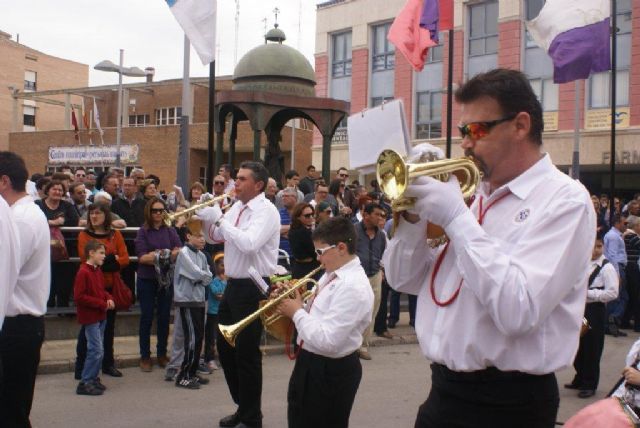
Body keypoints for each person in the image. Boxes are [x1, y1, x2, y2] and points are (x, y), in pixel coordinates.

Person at [383, 68, 596, 427]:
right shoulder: (474, 195)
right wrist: (413, 219)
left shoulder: (564, 200)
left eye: (476, 130)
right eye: (462, 131)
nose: (464, 142)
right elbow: (403, 280)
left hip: (509, 405)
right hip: (443, 393)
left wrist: (454, 216)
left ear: (520, 125)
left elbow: (519, 310)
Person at [198, 160, 280, 428]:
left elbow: (248, 244)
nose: (236, 183)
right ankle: (243, 407)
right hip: (234, 283)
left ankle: (252, 417)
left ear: (258, 185)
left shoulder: (266, 211)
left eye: (242, 179)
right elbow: (213, 238)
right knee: (226, 348)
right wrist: (208, 217)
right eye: (237, 178)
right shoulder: (236, 207)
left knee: (246, 354)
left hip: (254, 285)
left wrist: (220, 219)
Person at [275, 216, 374, 428]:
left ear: (340, 247)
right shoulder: (332, 274)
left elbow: (329, 340)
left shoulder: (352, 286)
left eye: (320, 252)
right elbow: (318, 317)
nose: (318, 259)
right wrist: (298, 302)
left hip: (330, 370)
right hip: (311, 361)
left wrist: (296, 313)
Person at [0, 151, 48, 427]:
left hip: (17, 327)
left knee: (11, 413)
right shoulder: (23, 213)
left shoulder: (20, 219)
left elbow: (5, 270)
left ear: (4, 181)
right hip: (19, 326)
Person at [76, 203, 130, 379]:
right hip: (92, 287)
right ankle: (82, 367)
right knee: (89, 329)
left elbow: (124, 258)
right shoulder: (84, 235)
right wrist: (110, 260)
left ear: (106, 216)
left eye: (98, 213)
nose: (94, 216)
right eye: (91, 213)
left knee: (108, 328)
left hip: (110, 287)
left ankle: (108, 363)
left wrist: (109, 261)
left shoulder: (115, 234)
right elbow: (86, 258)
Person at [566, 235, 618, 399]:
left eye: (599, 246)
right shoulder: (582, 263)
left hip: (594, 310)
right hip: (578, 309)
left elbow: (612, 292)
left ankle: (589, 383)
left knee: (592, 348)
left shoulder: (606, 267)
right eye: (593, 246)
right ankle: (580, 376)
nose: (596, 250)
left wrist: (589, 294)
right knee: (576, 346)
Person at [134, 197, 182, 372]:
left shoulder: (169, 230)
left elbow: (179, 249)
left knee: (163, 318)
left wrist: (158, 254)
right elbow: (142, 257)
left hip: (165, 280)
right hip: (147, 279)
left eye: (161, 210)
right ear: (149, 211)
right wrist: (165, 255)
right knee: (146, 318)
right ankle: (145, 356)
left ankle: (162, 353)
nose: (158, 213)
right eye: (155, 210)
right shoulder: (143, 231)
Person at [172, 219, 213, 389]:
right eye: (198, 236)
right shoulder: (184, 253)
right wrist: (203, 277)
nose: (203, 239)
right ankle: (183, 375)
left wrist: (203, 277)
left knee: (199, 338)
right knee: (191, 339)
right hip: (187, 301)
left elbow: (210, 275)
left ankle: (192, 371)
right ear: (188, 236)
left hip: (199, 300)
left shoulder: (202, 255)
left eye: (204, 236)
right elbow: (197, 274)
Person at [74, 240, 114, 396]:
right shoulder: (83, 272)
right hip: (91, 316)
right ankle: (85, 381)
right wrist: (101, 303)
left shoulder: (97, 270)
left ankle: (93, 378)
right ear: (91, 253)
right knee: (96, 350)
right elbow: (79, 297)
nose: (104, 256)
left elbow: (101, 290)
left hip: (100, 315)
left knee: (99, 349)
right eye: (101, 253)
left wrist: (108, 297)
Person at [35, 179, 79, 307]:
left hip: (65, 250)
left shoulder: (68, 206)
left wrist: (63, 221)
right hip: (43, 250)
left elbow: (74, 221)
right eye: (54, 189)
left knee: (64, 281)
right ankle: (46, 307)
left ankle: (62, 308)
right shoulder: (37, 204)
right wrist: (52, 222)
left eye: (60, 190)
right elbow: (34, 220)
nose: (57, 192)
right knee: (46, 280)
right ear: (47, 190)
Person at [354, 203, 388, 360]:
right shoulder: (353, 231)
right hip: (356, 277)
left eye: (382, 215)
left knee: (371, 312)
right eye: (377, 214)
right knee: (355, 312)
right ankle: (351, 344)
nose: (380, 218)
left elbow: (382, 254)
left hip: (374, 276)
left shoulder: (381, 235)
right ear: (366, 215)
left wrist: (380, 270)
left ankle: (363, 345)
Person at [605, 214, 629, 337]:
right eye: (624, 223)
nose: (626, 226)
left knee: (618, 297)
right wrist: (617, 273)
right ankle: (612, 319)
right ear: (617, 223)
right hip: (617, 267)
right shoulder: (614, 237)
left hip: (618, 267)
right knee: (620, 297)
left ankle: (611, 323)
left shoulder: (614, 235)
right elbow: (612, 255)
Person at [205, 253, 226, 372]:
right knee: (211, 337)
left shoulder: (228, 280)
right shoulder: (214, 281)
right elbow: (217, 294)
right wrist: (223, 284)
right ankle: (209, 359)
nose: (224, 268)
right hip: (213, 313)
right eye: (222, 265)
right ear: (216, 266)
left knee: (221, 337)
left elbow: (226, 295)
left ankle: (222, 357)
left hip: (223, 313)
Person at [288, 203, 321, 280]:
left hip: (299, 268)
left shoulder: (294, 230)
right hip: (308, 270)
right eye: (307, 216)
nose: (311, 217)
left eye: (312, 214)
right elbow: (314, 251)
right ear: (298, 217)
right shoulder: (303, 232)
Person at [624, 215, 640, 332]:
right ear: (636, 226)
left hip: (632, 267)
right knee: (636, 296)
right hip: (632, 267)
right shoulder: (631, 236)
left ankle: (626, 320)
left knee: (632, 296)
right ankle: (637, 324)